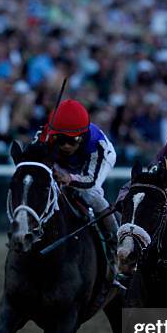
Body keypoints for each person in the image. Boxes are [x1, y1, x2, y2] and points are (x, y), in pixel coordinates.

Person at [39, 99, 119, 274]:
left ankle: (115, 240)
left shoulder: (98, 145)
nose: (66, 145)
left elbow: (90, 180)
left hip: (92, 163)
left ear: (82, 136)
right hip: (62, 163)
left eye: (72, 140)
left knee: (91, 195)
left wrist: (69, 179)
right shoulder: (44, 135)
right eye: (60, 139)